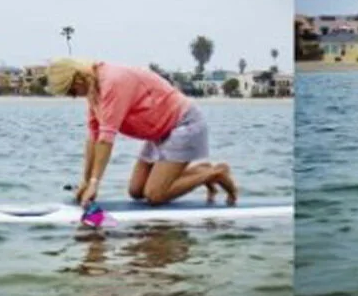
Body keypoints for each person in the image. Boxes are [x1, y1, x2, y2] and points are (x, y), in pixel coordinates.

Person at [46, 58, 237, 207]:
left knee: (154, 195)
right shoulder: (93, 89)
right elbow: (94, 137)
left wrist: (95, 183)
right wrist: (86, 181)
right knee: (136, 191)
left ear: (78, 78)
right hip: (158, 132)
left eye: (71, 91)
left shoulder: (111, 82)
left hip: (182, 124)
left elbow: (106, 139)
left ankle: (215, 173)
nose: (72, 96)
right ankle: (202, 170)